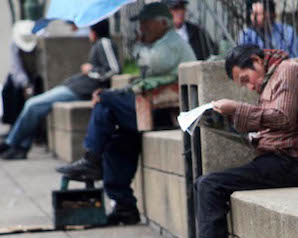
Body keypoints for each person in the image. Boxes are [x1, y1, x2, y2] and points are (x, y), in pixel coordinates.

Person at [172, 44, 298, 238]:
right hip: (276, 160)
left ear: (256, 61)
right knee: (204, 183)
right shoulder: (273, 78)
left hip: (292, 163)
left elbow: (283, 117)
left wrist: (236, 109)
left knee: (209, 185)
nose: (249, 86)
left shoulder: (288, 71)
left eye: (245, 78)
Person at [55, 3, 195, 225]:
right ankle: (124, 207)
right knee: (117, 143)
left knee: (105, 101)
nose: (141, 28)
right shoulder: (158, 43)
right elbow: (144, 77)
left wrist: (140, 43)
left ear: (162, 23)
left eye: (146, 24)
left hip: (162, 112)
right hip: (149, 105)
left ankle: (92, 159)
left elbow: (147, 64)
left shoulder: (170, 43)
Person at [0, 19, 119, 160]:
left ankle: (11, 143)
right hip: (76, 87)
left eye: (89, 30)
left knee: (33, 105)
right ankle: (20, 146)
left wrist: (90, 71)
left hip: (82, 90)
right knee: (34, 105)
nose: (88, 34)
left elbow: (114, 69)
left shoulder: (104, 42)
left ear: (94, 31)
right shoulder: (98, 44)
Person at [2, 20, 41, 131]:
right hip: (19, 77)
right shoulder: (14, 45)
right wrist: (25, 84)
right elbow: (16, 67)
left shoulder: (38, 43)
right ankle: (13, 126)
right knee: (10, 92)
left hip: (34, 77)